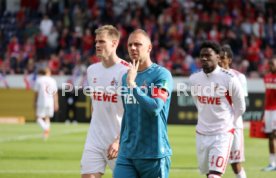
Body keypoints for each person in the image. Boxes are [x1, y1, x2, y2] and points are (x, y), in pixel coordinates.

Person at [114, 29, 173, 178]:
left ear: (149, 48)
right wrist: (120, 142)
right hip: (127, 153)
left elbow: (155, 108)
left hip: (153, 154)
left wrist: (133, 86)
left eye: (138, 44)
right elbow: (127, 114)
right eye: (130, 45)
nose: (133, 48)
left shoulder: (161, 74)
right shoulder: (125, 78)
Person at [189, 41, 246, 178]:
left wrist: (229, 122)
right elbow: (198, 102)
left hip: (222, 133)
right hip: (202, 133)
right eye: (202, 55)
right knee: (208, 173)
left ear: (218, 57)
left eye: (208, 55)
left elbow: (240, 107)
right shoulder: (194, 79)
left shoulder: (230, 79)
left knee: (215, 175)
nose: (204, 58)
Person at [80, 25, 129, 178]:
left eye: (102, 41)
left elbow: (133, 112)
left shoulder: (126, 71)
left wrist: (119, 140)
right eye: (96, 42)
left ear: (114, 43)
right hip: (94, 139)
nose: (97, 45)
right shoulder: (91, 70)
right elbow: (95, 105)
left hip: (119, 141)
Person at [219, 45, 247, 178]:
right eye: (218, 58)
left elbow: (241, 103)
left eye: (223, 58)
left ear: (229, 60)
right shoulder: (211, 77)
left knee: (235, 164)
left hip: (234, 125)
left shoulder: (239, 77)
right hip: (217, 126)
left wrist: (232, 119)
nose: (219, 61)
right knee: (215, 164)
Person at [34, 67, 59, 140]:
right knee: (47, 117)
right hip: (50, 101)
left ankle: (46, 128)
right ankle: (46, 134)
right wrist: (56, 103)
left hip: (41, 101)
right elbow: (55, 93)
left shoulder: (39, 80)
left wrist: (34, 101)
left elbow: (36, 93)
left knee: (38, 118)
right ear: (48, 73)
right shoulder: (52, 80)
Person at [262, 58, 276, 171]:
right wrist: (263, 112)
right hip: (268, 110)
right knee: (270, 136)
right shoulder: (266, 77)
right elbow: (266, 96)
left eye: (272, 64)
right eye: (269, 63)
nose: (270, 66)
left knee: (274, 135)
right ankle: (272, 163)